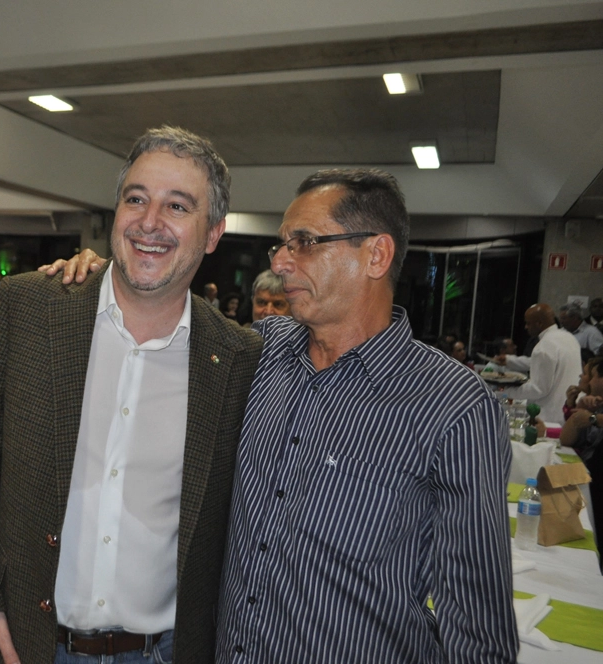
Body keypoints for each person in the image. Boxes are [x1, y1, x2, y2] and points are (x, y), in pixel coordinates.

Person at [0, 126, 263, 663]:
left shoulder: (238, 359)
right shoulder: (28, 309)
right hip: (27, 643)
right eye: (136, 198)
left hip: (163, 652)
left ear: (213, 234)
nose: (150, 222)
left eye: (178, 206)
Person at [213, 169, 517, 661]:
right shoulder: (257, 355)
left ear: (376, 255)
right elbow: (163, 328)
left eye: (304, 242)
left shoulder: (452, 406)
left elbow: (476, 618)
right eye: (281, 244)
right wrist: (104, 282)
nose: (281, 262)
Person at [499, 303, 583, 424]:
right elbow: (539, 363)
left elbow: (538, 389)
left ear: (539, 323)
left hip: (549, 417)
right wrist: (509, 360)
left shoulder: (544, 346)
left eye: (528, 323)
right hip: (570, 410)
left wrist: (506, 391)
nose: (525, 327)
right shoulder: (569, 337)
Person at [559, 356, 603, 571]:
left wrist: (594, 419)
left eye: (591, 375)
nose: (583, 378)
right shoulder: (595, 404)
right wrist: (578, 411)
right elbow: (566, 440)